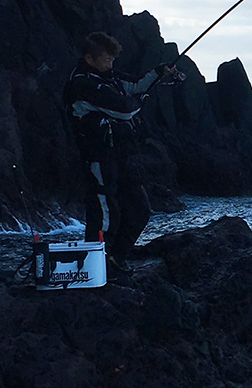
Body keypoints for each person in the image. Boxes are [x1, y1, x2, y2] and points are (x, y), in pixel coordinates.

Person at [63, 31, 180, 269]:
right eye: (106, 59)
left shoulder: (111, 78)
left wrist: (159, 72)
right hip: (97, 158)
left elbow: (136, 85)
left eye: (112, 59)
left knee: (140, 209)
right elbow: (125, 109)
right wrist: (142, 100)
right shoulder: (82, 84)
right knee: (105, 214)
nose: (111, 64)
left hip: (122, 155)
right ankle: (96, 265)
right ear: (89, 58)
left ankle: (115, 259)